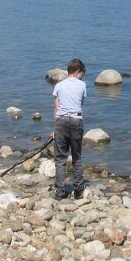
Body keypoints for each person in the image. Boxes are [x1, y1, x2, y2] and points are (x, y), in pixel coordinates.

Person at [52, 58, 87, 200]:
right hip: (76, 119)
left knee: (60, 158)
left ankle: (60, 192)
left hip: (61, 120)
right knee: (77, 156)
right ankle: (78, 189)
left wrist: (55, 129)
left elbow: (56, 108)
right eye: (82, 73)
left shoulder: (59, 85)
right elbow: (81, 104)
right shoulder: (82, 85)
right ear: (78, 71)